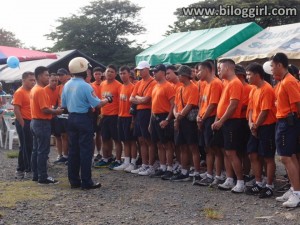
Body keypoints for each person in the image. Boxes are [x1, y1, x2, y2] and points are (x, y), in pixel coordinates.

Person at [62, 57, 111, 190]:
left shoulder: (67, 84)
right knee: (86, 151)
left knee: (73, 150)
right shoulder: (85, 85)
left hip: (71, 118)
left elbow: (64, 105)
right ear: (83, 69)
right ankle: (86, 181)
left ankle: (74, 181)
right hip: (83, 118)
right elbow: (97, 103)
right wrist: (107, 99)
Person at [211, 59, 245, 193]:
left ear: (227, 68)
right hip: (224, 121)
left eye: (219, 68)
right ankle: (229, 178)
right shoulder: (227, 83)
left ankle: (240, 181)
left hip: (231, 122)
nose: (218, 71)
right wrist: (217, 119)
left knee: (231, 151)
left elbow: (233, 105)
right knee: (226, 151)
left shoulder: (235, 83)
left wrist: (221, 121)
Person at [271, 53, 300, 208]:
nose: (270, 68)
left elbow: (298, 104)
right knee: (291, 157)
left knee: (286, 158)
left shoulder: (289, 81)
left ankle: (297, 193)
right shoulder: (282, 81)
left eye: (272, 65)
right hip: (283, 121)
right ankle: (295, 189)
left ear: (279, 65)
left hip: (288, 123)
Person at [245, 62, 277, 198]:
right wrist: (251, 124)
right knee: (252, 154)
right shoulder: (253, 89)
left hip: (267, 126)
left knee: (268, 157)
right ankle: (259, 182)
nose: (247, 77)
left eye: (249, 74)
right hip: (255, 126)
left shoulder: (267, 89)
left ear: (257, 75)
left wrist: (256, 125)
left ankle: (269, 185)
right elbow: (251, 109)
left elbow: (265, 111)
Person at [30, 66, 63, 184]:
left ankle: (36, 175)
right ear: (39, 76)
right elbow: (44, 109)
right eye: (46, 75)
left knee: (36, 150)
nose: (48, 77)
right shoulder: (40, 90)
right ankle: (43, 177)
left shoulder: (34, 89)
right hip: (42, 122)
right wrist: (56, 111)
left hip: (35, 122)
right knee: (43, 151)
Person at [195, 61, 223, 186]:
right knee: (208, 149)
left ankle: (217, 175)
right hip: (204, 119)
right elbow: (202, 102)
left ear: (207, 70)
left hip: (211, 119)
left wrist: (203, 118)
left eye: (199, 70)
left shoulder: (216, 83)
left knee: (215, 149)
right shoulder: (205, 84)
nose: (197, 73)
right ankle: (209, 173)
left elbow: (213, 105)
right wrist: (198, 116)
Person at [171, 65, 199, 182]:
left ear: (185, 76)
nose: (178, 77)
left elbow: (190, 105)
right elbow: (176, 105)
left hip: (189, 120)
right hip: (181, 119)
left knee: (193, 147)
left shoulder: (193, 87)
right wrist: (176, 115)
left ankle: (196, 171)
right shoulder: (180, 88)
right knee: (182, 146)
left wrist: (178, 116)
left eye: (180, 74)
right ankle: (184, 171)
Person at [129, 61, 157, 175]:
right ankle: (144, 164)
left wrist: (138, 99)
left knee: (148, 139)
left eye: (141, 69)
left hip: (147, 112)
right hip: (139, 113)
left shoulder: (153, 82)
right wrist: (140, 99)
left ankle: (151, 165)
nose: (139, 72)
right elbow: (131, 98)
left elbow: (147, 100)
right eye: (138, 70)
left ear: (147, 69)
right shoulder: (138, 83)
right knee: (140, 139)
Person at [149, 64, 175, 179]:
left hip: (164, 116)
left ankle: (170, 168)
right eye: (153, 71)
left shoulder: (168, 86)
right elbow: (153, 105)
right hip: (155, 117)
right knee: (159, 143)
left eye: (156, 71)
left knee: (167, 144)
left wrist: (167, 119)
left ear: (163, 72)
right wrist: (151, 122)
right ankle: (162, 167)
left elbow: (173, 105)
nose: (154, 73)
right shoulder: (155, 86)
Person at [94, 65, 122, 169]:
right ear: (104, 73)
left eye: (112, 71)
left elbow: (120, 102)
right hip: (104, 115)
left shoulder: (119, 85)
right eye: (108, 71)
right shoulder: (102, 84)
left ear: (115, 74)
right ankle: (107, 158)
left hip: (115, 116)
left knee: (117, 139)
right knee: (105, 138)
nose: (109, 73)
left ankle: (118, 160)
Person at [113, 66, 137, 172]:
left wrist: (133, 120)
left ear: (129, 74)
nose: (122, 75)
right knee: (124, 141)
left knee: (132, 141)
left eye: (124, 73)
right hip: (121, 117)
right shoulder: (121, 87)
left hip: (129, 117)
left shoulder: (132, 87)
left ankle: (133, 162)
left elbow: (134, 106)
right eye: (121, 73)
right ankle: (126, 161)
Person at [13, 71, 36, 179]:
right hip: (24, 121)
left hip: (31, 121)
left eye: (34, 80)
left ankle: (20, 168)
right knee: (27, 146)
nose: (33, 82)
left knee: (25, 146)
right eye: (30, 80)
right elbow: (16, 109)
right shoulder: (19, 92)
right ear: (23, 80)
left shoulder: (32, 91)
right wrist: (22, 124)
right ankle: (28, 169)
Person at [235, 64, 253, 178]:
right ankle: (240, 171)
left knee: (245, 150)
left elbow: (247, 105)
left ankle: (246, 172)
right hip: (236, 120)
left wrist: (235, 107)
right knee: (237, 149)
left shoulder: (248, 88)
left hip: (243, 120)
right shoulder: (234, 86)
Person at [54, 68, 71, 164]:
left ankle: (71, 155)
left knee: (70, 135)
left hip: (70, 111)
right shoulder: (58, 87)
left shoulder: (71, 85)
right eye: (59, 75)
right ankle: (64, 155)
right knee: (62, 135)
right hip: (61, 112)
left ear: (67, 75)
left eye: (62, 75)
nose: (60, 77)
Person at [44, 73, 60, 159]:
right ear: (49, 81)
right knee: (46, 138)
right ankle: (45, 157)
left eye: (56, 80)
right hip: (46, 117)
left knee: (58, 135)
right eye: (52, 80)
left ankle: (59, 155)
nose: (54, 82)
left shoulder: (59, 88)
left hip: (55, 116)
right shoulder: (44, 90)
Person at [91, 67, 105, 162]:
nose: (97, 76)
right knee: (93, 133)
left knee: (101, 133)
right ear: (93, 75)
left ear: (102, 74)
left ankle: (100, 152)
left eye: (99, 74)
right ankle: (92, 153)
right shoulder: (91, 85)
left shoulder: (105, 84)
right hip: (94, 110)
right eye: (96, 74)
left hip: (103, 109)